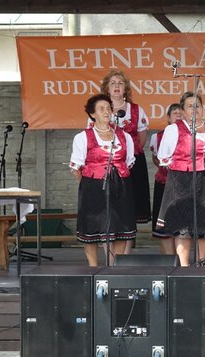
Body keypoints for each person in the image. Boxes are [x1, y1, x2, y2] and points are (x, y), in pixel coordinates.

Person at [69, 94, 136, 266]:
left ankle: (115, 267)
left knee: (121, 228)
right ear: (92, 114)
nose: (106, 111)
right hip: (93, 186)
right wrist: (88, 187)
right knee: (92, 228)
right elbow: (76, 167)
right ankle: (93, 267)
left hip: (121, 186)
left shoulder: (124, 136)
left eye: (108, 108)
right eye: (101, 109)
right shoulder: (83, 137)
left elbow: (128, 162)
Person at [156, 92, 205, 267]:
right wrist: (184, 166)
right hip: (182, 181)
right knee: (183, 228)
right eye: (190, 106)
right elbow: (164, 157)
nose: (195, 109)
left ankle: (202, 263)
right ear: (183, 111)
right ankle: (184, 268)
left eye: (198, 105)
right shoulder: (174, 129)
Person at [98, 70, 151, 226]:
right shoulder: (99, 109)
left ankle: (126, 246)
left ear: (125, 88)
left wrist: (127, 156)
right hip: (106, 163)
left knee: (130, 206)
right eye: (113, 83)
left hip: (132, 164)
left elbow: (141, 140)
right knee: (109, 206)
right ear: (107, 88)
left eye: (120, 83)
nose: (116, 86)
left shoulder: (136, 110)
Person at [149, 103, 182, 255]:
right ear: (168, 117)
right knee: (163, 223)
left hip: (183, 184)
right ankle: (168, 258)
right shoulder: (157, 136)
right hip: (164, 182)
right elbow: (156, 158)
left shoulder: (190, 135)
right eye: (174, 113)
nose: (178, 115)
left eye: (180, 113)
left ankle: (181, 258)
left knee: (181, 223)